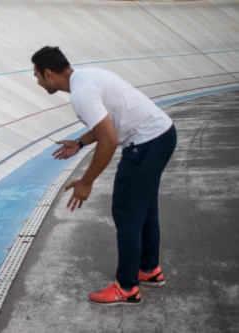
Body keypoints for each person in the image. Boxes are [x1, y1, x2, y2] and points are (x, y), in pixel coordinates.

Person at [31, 46, 177, 305]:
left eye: (37, 76)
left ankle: (127, 287)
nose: (37, 81)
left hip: (145, 143)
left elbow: (108, 140)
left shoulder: (81, 94)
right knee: (145, 208)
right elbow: (106, 124)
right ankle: (149, 269)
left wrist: (86, 182)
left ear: (49, 73)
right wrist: (79, 142)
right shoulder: (88, 77)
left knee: (127, 213)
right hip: (161, 134)